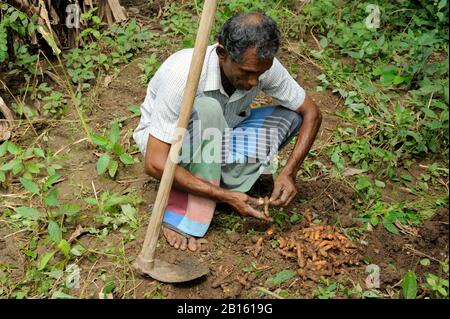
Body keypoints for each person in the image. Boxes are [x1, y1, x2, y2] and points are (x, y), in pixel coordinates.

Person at [133, 12, 322, 252]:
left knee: (291, 116)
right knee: (208, 109)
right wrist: (225, 196)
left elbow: (312, 113)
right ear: (223, 54)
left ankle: (215, 180)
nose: (255, 82)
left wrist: (289, 171)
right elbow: (154, 162)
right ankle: (187, 211)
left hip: (222, 136)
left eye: (261, 73)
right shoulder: (183, 74)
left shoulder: (262, 66)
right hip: (172, 146)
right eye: (247, 72)